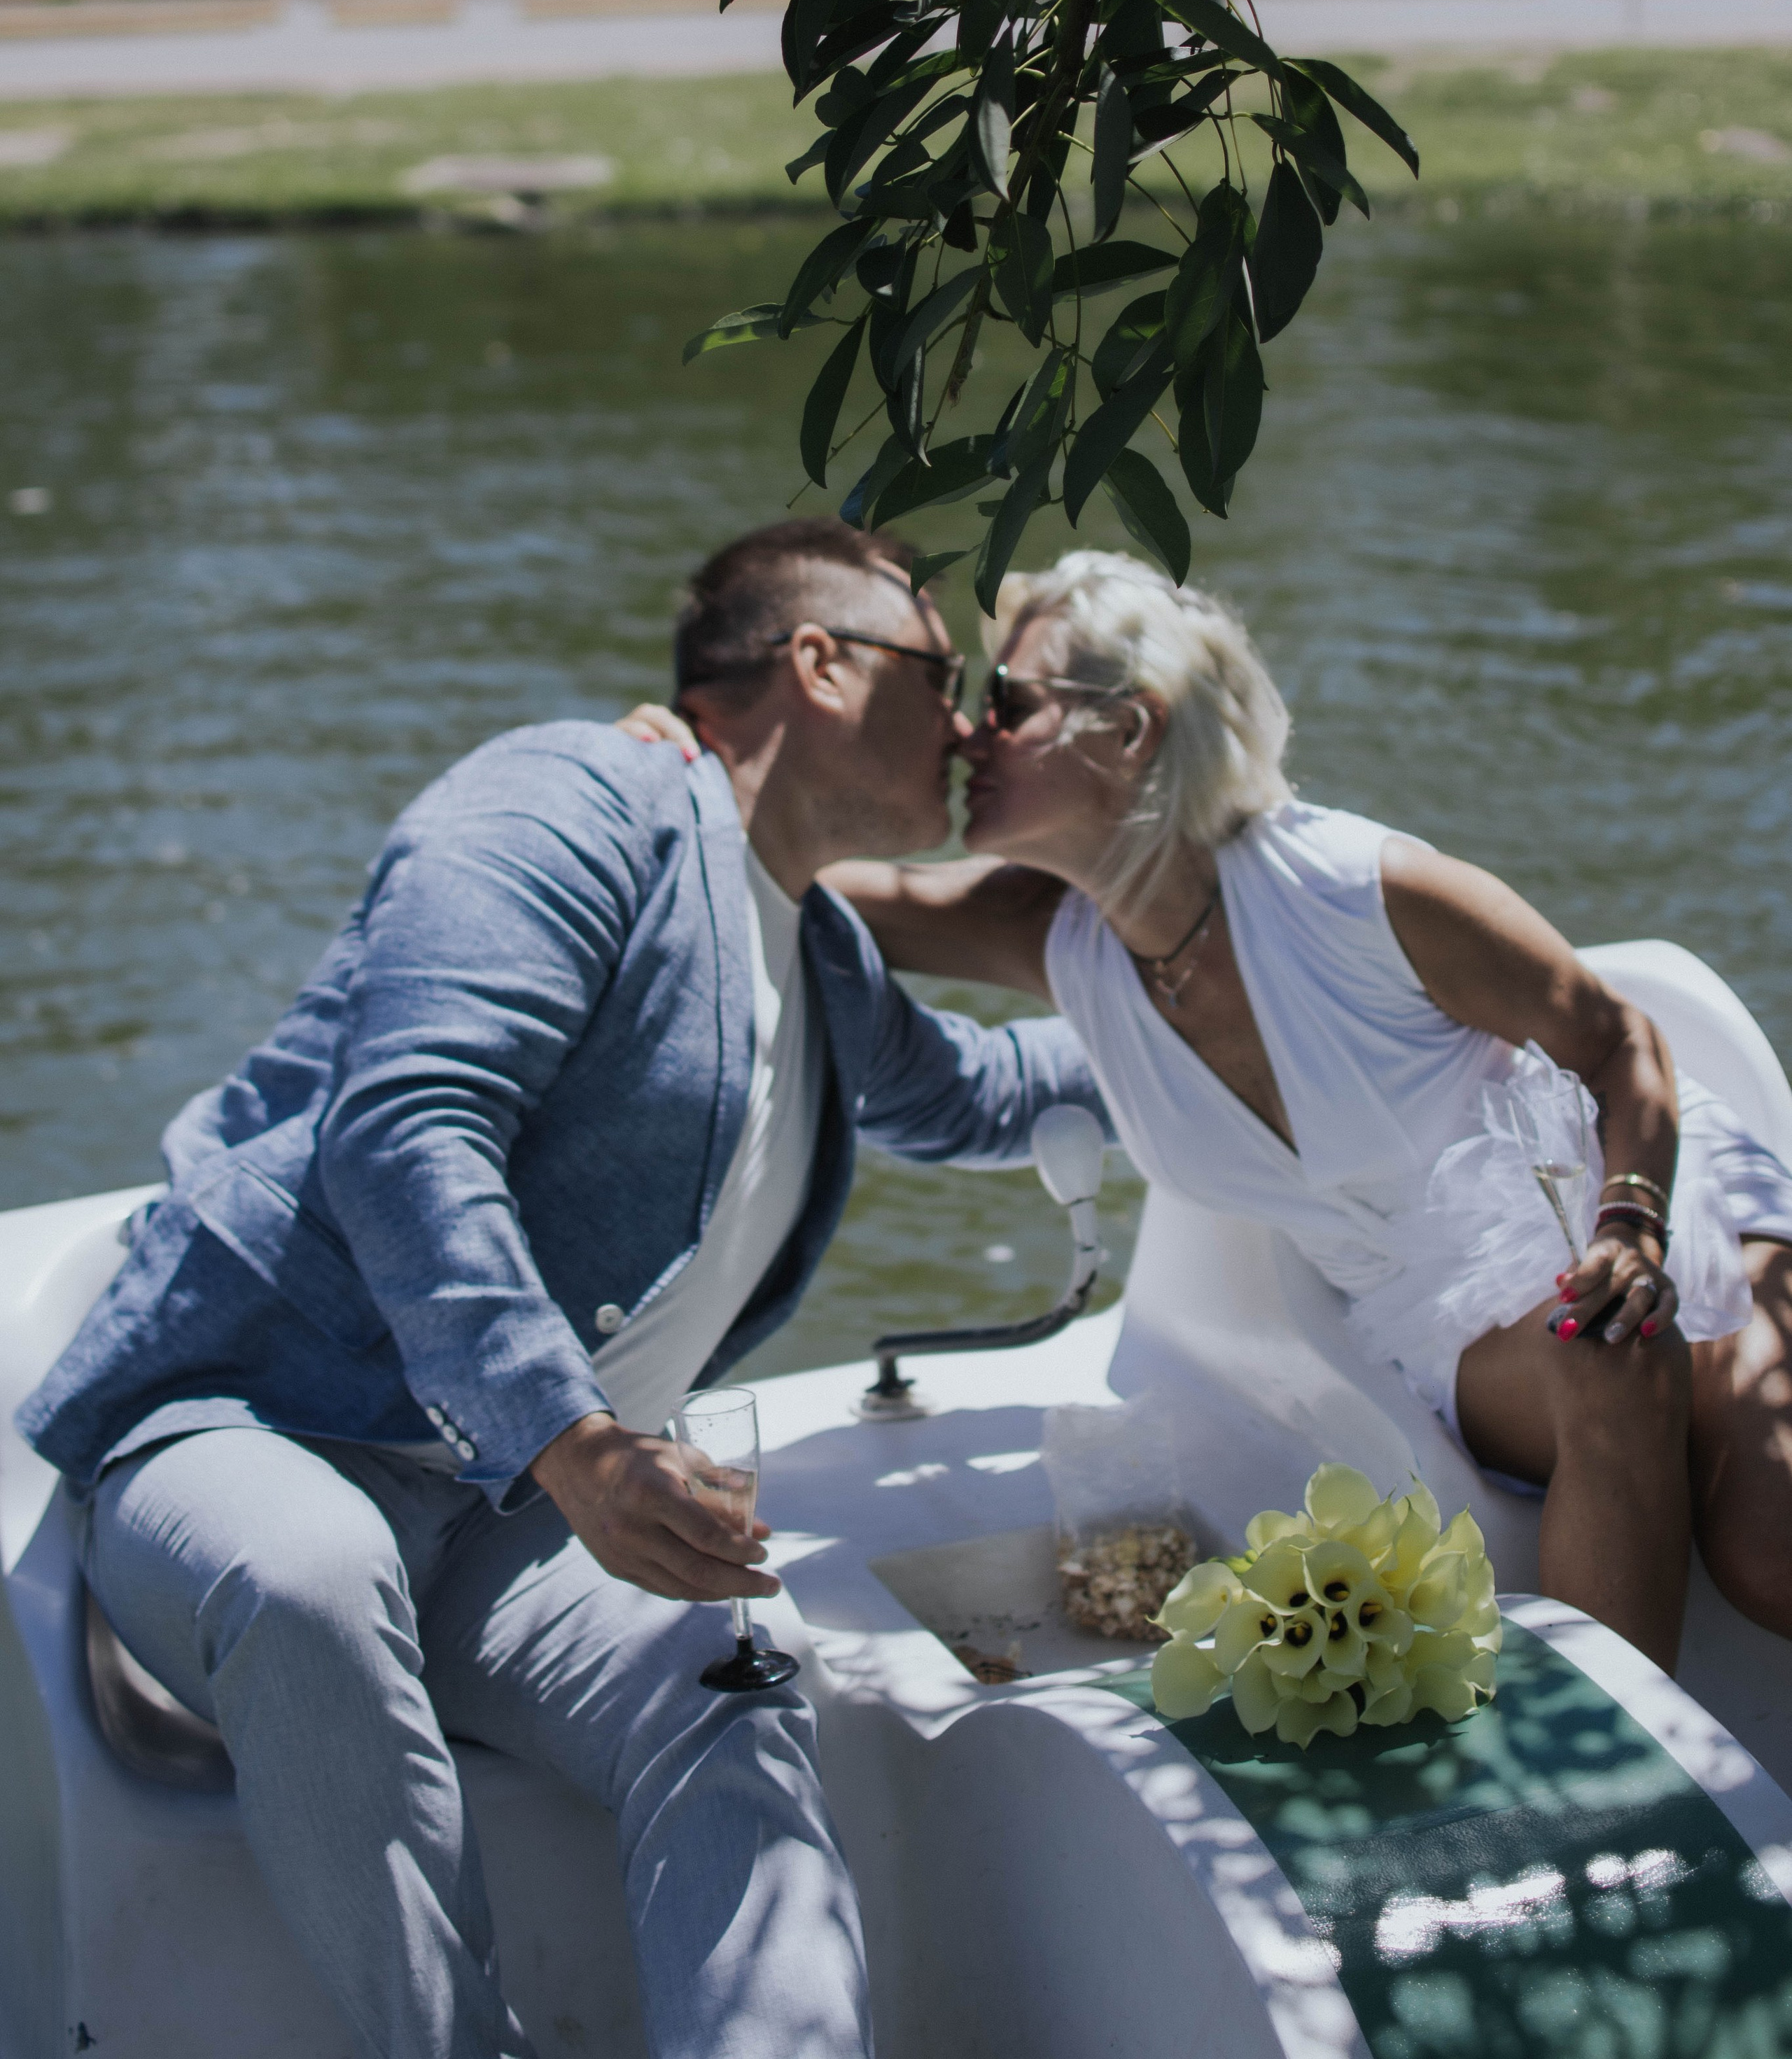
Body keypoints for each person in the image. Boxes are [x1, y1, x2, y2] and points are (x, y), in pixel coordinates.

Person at [18, 519, 1107, 2059]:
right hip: (260, 1419)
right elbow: (408, 1123)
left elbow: (982, 1097)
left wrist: (1214, 992)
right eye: (945, 675)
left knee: (726, 1664)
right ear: (821, 661)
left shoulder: (817, 948)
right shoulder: (567, 800)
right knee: (312, 1574)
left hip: (509, 1510)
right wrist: (580, 1443)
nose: (967, 723)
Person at [811, 549, 1792, 1677]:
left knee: (1765, 1552)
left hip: (1637, 1201)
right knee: (1605, 1358)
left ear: (1131, 731)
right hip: (1447, 1318)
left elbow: (1620, 1040)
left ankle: (1620, 1772)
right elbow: (795, 861)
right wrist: (687, 768)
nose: (974, 735)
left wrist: (1630, 1225)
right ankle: (1624, 1804)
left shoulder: (1357, 890)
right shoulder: (1053, 940)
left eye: (1009, 704)